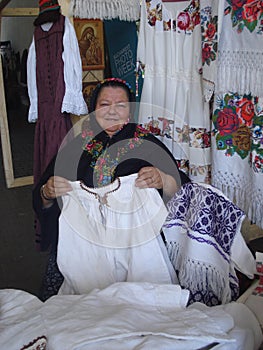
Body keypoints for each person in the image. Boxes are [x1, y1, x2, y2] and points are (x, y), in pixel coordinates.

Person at [33, 78, 190, 299]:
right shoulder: (76, 147)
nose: (112, 112)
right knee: (76, 311)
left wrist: (163, 179)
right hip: (84, 246)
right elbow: (44, 195)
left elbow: (184, 189)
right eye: (104, 105)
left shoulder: (146, 144)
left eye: (121, 105)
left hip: (137, 246)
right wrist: (47, 194)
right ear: (93, 110)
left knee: (146, 305)